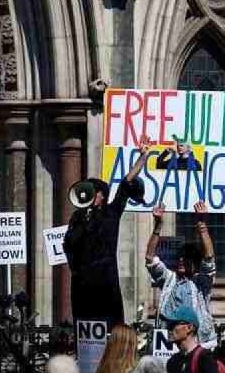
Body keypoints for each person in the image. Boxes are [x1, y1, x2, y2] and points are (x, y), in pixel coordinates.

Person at [64, 139, 152, 326]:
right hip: (82, 285)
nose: (89, 196)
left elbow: (125, 183)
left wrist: (143, 157)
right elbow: (69, 246)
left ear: (102, 195)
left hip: (105, 282)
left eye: (93, 192)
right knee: (84, 327)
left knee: (108, 325)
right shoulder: (78, 218)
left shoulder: (111, 212)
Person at [146, 200, 217, 349]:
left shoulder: (201, 282)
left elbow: (209, 257)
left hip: (197, 343)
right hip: (167, 345)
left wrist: (202, 225)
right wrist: (158, 226)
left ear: (195, 262)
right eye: (179, 258)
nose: (181, 261)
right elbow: (150, 258)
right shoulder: (169, 279)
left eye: (186, 259)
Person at [165, 307, 218, 373]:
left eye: (173, 325)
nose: (169, 330)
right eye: (168, 326)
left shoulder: (204, 358)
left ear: (189, 328)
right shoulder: (172, 362)